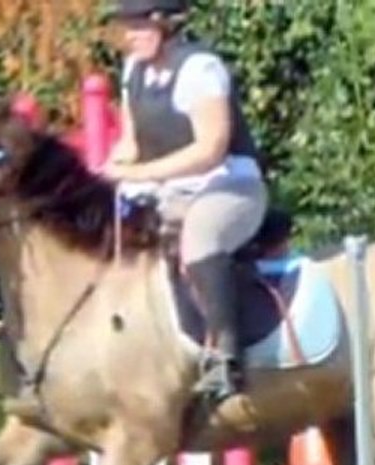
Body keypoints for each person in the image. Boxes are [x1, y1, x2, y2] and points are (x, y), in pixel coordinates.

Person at [102, 0, 268, 402]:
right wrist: (113, 166)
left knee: (199, 240)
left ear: (166, 25)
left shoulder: (201, 70)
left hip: (228, 186)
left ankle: (226, 357)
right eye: (126, 26)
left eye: (138, 25)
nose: (128, 35)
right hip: (167, 187)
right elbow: (132, 140)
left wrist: (141, 173)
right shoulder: (133, 71)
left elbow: (210, 149)